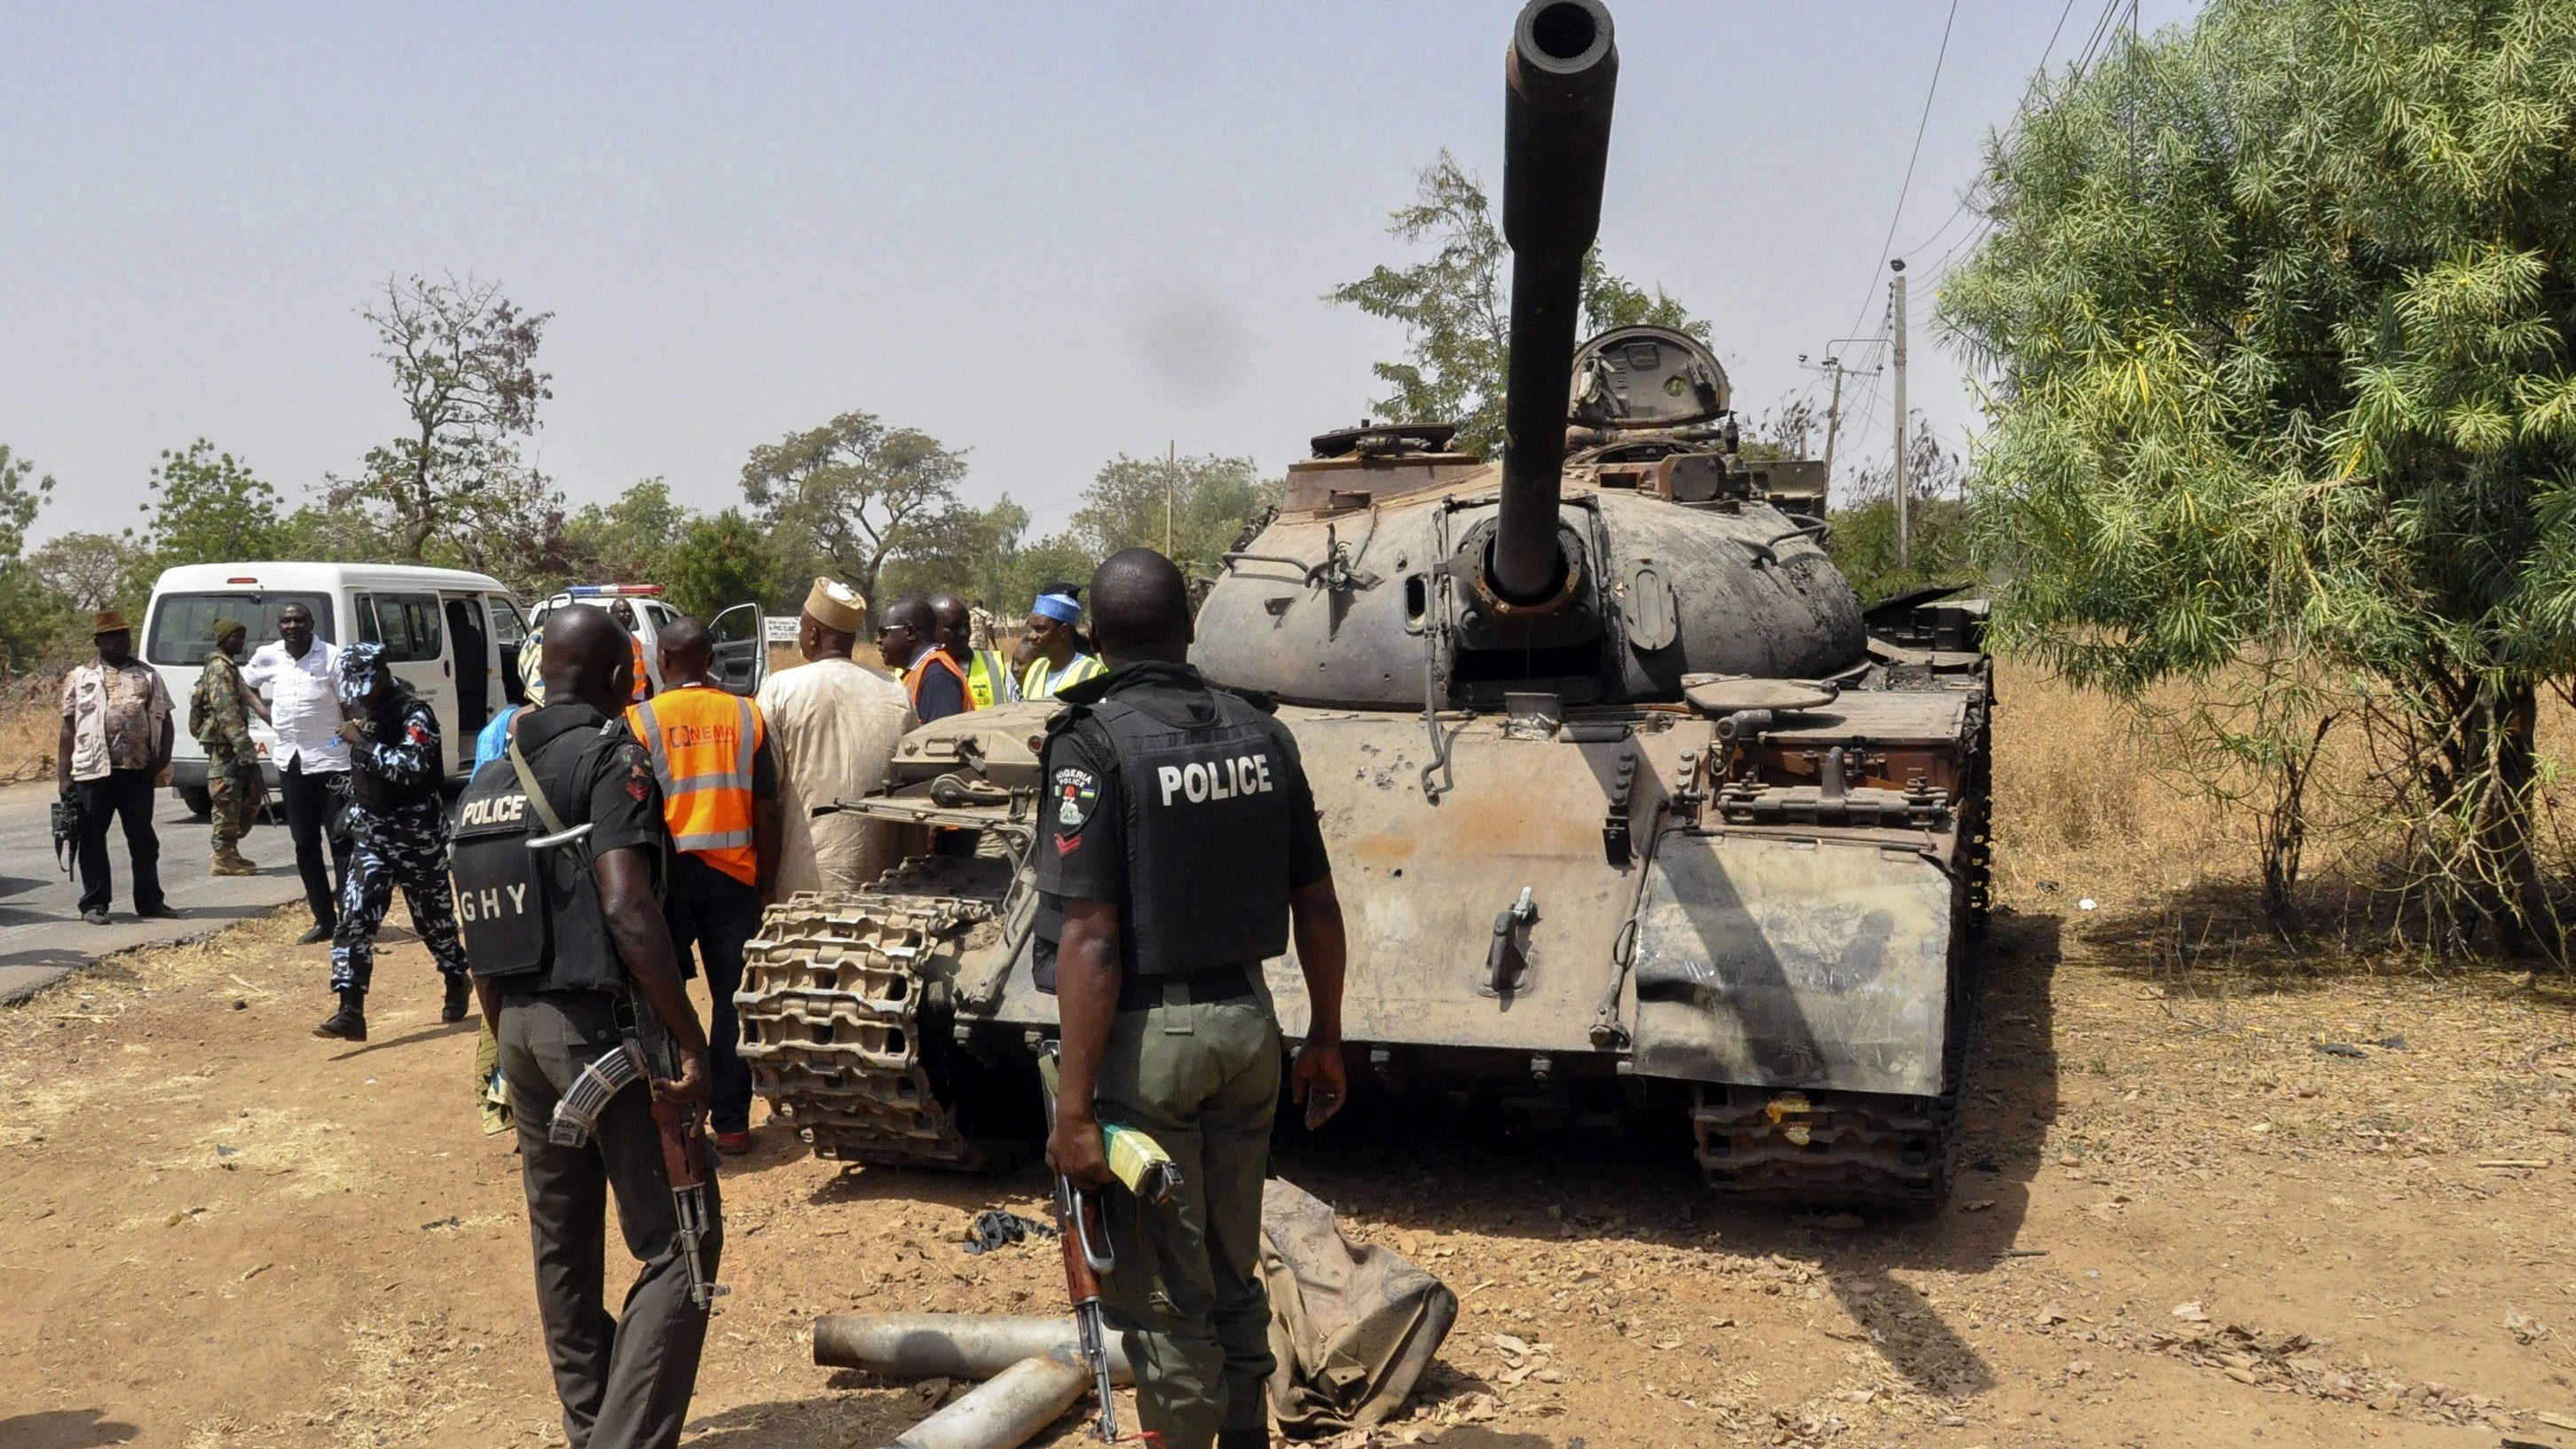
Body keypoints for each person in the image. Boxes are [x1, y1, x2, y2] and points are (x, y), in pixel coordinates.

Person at [1037, 548, 1350, 1449]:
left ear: (1095, 639)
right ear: (1190, 628)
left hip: (1149, 1045)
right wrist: (1323, 1036)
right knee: (1230, 1264)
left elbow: (1091, 934)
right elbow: (1316, 901)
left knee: (1165, 1291)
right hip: (1251, 1026)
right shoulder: (1260, 733)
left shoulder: (1090, 740)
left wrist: (1072, 1112)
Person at [467, 602, 720, 1449]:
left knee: (563, 1246)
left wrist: (508, 1045)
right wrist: (689, 1037)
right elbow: (628, 906)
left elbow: (479, 931)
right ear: (622, 678)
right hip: (603, 1035)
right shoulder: (614, 757)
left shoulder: (487, 778)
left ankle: (590, 1428)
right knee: (681, 1243)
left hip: (519, 1035)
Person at [627, 617, 781, 1155]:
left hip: (665, 882)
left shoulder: (640, 720)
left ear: (664, 661)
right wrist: (766, 880)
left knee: (658, 997)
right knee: (731, 1001)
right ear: (710, 658)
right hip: (733, 878)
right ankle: (733, 1124)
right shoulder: (745, 712)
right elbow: (767, 807)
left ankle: (670, 1119)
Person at [312, 642, 470, 1041]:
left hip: (417, 836)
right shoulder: (370, 712)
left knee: (434, 922)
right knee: (355, 917)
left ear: (383, 673)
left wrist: (361, 744)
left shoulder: (416, 714)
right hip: (374, 835)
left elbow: (411, 768)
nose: (360, 697)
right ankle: (350, 1008)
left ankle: (456, 977)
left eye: (365, 687)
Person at [758, 578, 913, 894]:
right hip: (883, 882)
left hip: (803, 883)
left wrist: (763, 885)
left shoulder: (781, 689)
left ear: (812, 634)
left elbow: (765, 797)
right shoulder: (895, 689)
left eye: (803, 628)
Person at [59, 610, 177, 926]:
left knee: (142, 838)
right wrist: (64, 775)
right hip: (92, 771)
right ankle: (95, 904)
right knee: (92, 837)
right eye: (111, 637)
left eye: (123, 636)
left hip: (137, 769)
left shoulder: (147, 675)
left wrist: (162, 758)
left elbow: (166, 720)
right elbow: (68, 728)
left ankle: (150, 901)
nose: (119, 642)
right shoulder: (80, 677)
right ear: (98, 641)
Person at [243, 601, 350, 944]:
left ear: (311, 623)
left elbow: (349, 703)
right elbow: (243, 682)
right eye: (286, 621)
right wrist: (264, 712)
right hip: (291, 762)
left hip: (333, 762)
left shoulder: (331, 657)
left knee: (341, 842)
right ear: (279, 626)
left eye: (298, 620)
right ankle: (324, 920)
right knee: (304, 844)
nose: (292, 626)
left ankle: (351, 920)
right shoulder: (269, 655)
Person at [192, 617, 265, 877]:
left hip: (228, 742)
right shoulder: (221, 668)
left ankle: (230, 851)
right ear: (223, 639)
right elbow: (226, 712)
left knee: (237, 797)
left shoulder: (227, 666)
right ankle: (222, 857)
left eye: (242, 637)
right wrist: (245, 748)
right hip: (226, 744)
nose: (241, 642)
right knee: (226, 797)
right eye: (235, 637)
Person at [878, 595, 966, 724]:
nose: (878, 640)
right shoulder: (921, 671)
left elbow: (945, 739)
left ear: (910, 632)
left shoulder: (937, 677)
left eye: (883, 633)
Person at [1017, 589, 1107, 702]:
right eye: (1032, 628)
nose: (1031, 636)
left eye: (1040, 629)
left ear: (1063, 631)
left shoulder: (1092, 671)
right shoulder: (1036, 667)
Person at [934, 591, 1010, 708]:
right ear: (930, 630)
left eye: (966, 625)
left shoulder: (995, 667)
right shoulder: (909, 674)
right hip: (981, 642)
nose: (964, 633)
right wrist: (993, 644)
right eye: (954, 627)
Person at [609, 598, 654, 705]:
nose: (627, 614)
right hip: (623, 698)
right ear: (613, 615)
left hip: (638, 695)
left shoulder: (634, 639)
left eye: (629, 611)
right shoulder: (612, 639)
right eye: (623, 611)